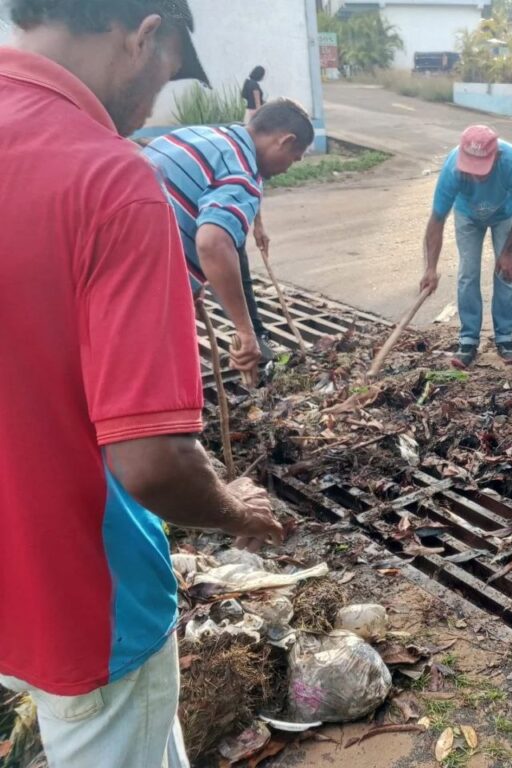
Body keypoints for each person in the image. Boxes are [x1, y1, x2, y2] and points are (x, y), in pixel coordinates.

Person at [0, 2, 284, 766]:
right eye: (165, 77)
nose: (155, 106)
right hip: (81, 600)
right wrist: (234, 509)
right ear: (144, 35)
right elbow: (153, 464)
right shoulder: (110, 179)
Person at [144, 99, 314, 371]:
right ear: (285, 141)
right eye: (294, 159)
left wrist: (191, 280)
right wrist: (245, 331)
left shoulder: (194, 135)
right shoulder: (242, 174)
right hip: (144, 293)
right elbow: (213, 244)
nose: (287, 168)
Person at [419, 125, 512, 368]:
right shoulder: (452, 168)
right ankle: (468, 340)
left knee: (506, 272)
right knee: (468, 273)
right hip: (467, 215)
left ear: (497, 156)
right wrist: (430, 268)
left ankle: (505, 338)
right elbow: (437, 219)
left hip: (505, 214)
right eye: (470, 168)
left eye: (481, 169)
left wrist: (509, 251)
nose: (475, 176)